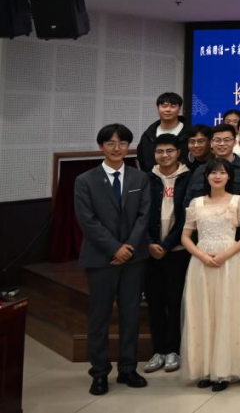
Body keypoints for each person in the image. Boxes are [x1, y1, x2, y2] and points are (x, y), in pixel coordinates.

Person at [74, 124, 151, 396]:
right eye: (110, 143)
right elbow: (87, 221)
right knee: (100, 317)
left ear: (129, 146)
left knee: (131, 315)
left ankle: (128, 368)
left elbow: (144, 215)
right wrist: (114, 249)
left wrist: (128, 247)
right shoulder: (85, 180)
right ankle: (99, 372)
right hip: (100, 259)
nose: (117, 148)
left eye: (122, 143)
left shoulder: (140, 178)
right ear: (101, 147)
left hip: (134, 258)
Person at [180, 157, 240, 391]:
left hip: (229, 263)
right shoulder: (196, 202)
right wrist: (202, 256)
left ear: (229, 176)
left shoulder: (238, 201)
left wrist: (225, 255)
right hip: (201, 263)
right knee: (202, 313)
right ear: (207, 176)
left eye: (222, 172)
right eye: (213, 172)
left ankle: (223, 371)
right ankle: (204, 368)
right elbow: (185, 237)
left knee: (227, 312)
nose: (217, 176)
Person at [145, 134, 192, 375]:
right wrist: (150, 243)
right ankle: (158, 350)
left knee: (175, 302)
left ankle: (173, 349)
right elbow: (138, 214)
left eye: (169, 151)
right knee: (155, 302)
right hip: (150, 251)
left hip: (178, 251)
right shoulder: (146, 179)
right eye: (160, 151)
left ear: (178, 153)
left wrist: (167, 244)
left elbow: (187, 216)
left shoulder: (188, 177)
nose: (165, 155)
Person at [185, 125, 240, 211]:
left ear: (235, 142)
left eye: (227, 140)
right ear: (211, 143)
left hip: (235, 218)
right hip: (203, 218)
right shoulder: (200, 170)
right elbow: (189, 202)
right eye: (217, 140)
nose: (222, 144)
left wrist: (223, 217)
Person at [136, 92, 189, 172]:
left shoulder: (190, 133)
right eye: (164, 106)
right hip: (153, 178)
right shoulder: (148, 135)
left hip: (185, 178)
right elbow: (142, 159)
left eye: (173, 106)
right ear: (158, 108)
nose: (168, 110)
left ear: (179, 109)